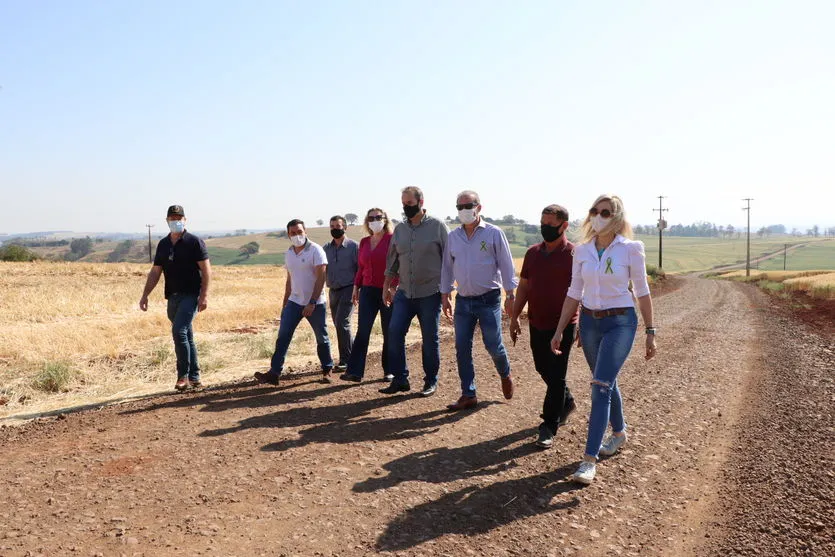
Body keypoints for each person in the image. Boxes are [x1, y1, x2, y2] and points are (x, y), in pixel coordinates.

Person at [550, 194, 657, 485]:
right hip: (589, 323)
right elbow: (574, 291)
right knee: (606, 381)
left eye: (605, 212)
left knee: (599, 387)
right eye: (594, 211)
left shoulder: (631, 249)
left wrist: (650, 331)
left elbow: (643, 291)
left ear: (617, 217)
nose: (598, 216)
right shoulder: (582, 251)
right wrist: (561, 330)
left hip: (620, 322)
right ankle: (619, 433)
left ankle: (588, 460)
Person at [440, 190, 518, 411]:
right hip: (463, 301)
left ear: (479, 207)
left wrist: (511, 295)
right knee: (461, 347)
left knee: (493, 344)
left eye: (468, 206)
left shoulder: (493, 233)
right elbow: (447, 267)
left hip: (489, 299)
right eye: (460, 207)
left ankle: (505, 373)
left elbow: (506, 265)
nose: (464, 211)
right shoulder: (453, 237)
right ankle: (468, 393)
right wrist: (445, 295)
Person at [510, 204, 578, 448]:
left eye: (550, 225)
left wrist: (583, 323)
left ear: (564, 225)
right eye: (543, 224)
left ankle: (549, 424)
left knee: (557, 375)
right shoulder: (532, 253)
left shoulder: (574, 255)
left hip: (564, 324)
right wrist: (515, 315)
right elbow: (525, 287)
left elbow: (583, 291)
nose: (545, 229)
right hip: (537, 321)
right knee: (542, 367)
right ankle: (567, 401)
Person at [379, 186, 449, 397]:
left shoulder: (437, 227)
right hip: (404, 292)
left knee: (430, 337)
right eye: (403, 203)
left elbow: (448, 260)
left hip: (430, 292)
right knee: (394, 333)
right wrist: (387, 287)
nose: (406, 207)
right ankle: (400, 379)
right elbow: (392, 261)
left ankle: (430, 381)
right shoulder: (400, 230)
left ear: (421, 202)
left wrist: (447, 292)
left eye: (409, 203)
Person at [139, 204, 211, 391]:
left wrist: (204, 296)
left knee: (179, 331)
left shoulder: (195, 242)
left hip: (191, 295)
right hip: (173, 296)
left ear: (185, 220)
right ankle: (195, 377)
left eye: (179, 218)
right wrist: (145, 295)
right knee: (186, 334)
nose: (176, 221)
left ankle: (183, 377)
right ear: (167, 221)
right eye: (172, 218)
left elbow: (206, 270)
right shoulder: (163, 244)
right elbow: (155, 272)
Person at [255, 219, 334, 386]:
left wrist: (312, 302)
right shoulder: (289, 253)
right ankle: (274, 373)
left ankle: (327, 369)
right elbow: (290, 279)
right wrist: (285, 303)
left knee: (321, 336)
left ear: (305, 231)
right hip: (294, 302)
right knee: (283, 337)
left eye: (299, 232)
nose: (297, 235)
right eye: (293, 233)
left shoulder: (316, 250)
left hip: (315, 303)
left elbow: (321, 277)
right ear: (288, 235)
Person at [339, 208, 397, 383]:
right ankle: (355, 371)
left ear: (385, 219)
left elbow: (398, 265)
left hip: (388, 290)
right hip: (367, 290)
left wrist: (393, 287)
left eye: (378, 217)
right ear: (366, 221)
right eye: (371, 218)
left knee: (389, 331)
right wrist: (356, 286)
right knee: (363, 330)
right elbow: (361, 267)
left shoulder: (393, 240)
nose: (375, 220)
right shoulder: (364, 242)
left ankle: (390, 370)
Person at [323, 215, 359, 371]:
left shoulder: (354, 247)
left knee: (342, 323)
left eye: (338, 226)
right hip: (333, 291)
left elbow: (360, 269)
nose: (335, 229)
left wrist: (358, 290)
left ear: (345, 227)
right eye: (332, 226)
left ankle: (347, 359)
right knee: (339, 324)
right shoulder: (326, 248)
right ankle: (350, 357)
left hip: (349, 289)